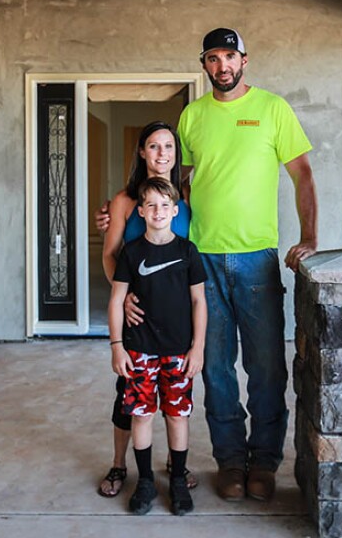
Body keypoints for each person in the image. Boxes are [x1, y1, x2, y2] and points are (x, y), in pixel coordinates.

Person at [97, 27, 318, 503]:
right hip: (201, 261)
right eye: (213, 58)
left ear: (244, 60)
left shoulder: (273, 110)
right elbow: (170, 180)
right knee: (214, 369)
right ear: (204, 65)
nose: (223, 66)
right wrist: (119, 208)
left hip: (256, 257)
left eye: (230, 57)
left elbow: (302, 174)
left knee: (264, 369)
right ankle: (231, 463)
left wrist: (310, 236)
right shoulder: (192, 118)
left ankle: (264, 463)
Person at [97, 121, 199, 498]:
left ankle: (176, 463)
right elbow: (110, 255)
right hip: (137, 320)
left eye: (169, 147)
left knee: (177, 397)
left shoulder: (188, 196)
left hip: (175, 321)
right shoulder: (124, 201)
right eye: (154, 147)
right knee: (130, 396)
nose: (162, 154)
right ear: (141, 152)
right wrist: (121, 297)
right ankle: (121, 464)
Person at [109, 177, 207, 515]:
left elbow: (199, 302)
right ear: (141, 211)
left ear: (175, 211)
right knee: (141, 416)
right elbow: (117, 299)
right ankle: (146, 480)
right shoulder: (132, 252)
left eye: (165, 205)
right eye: (150, 205)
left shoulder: (187, 251)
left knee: (178, 415)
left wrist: (198, 348)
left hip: (179, 350)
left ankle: (178, 479)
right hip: (139, 351)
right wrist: (117, 346)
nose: (158, 211)